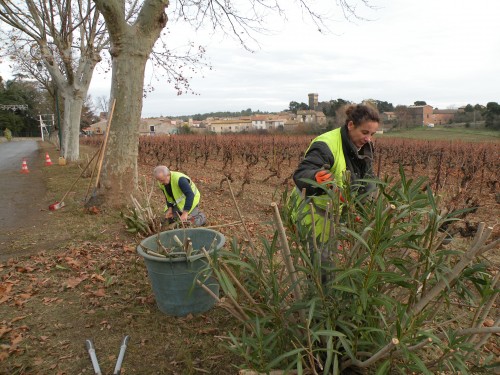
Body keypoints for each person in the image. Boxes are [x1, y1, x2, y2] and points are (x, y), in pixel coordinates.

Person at [291, 104, 380, 280]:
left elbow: (368, 181)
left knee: (335, 268)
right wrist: (316, 177)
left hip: (336, 214)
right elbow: (301, 174)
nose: (369, 139)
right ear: (350, 125)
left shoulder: (361, 147)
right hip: (314, 215)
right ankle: (321, 304)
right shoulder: (326, 145)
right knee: (323, 273)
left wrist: (364, 209)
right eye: (365, 133)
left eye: (372, 134)